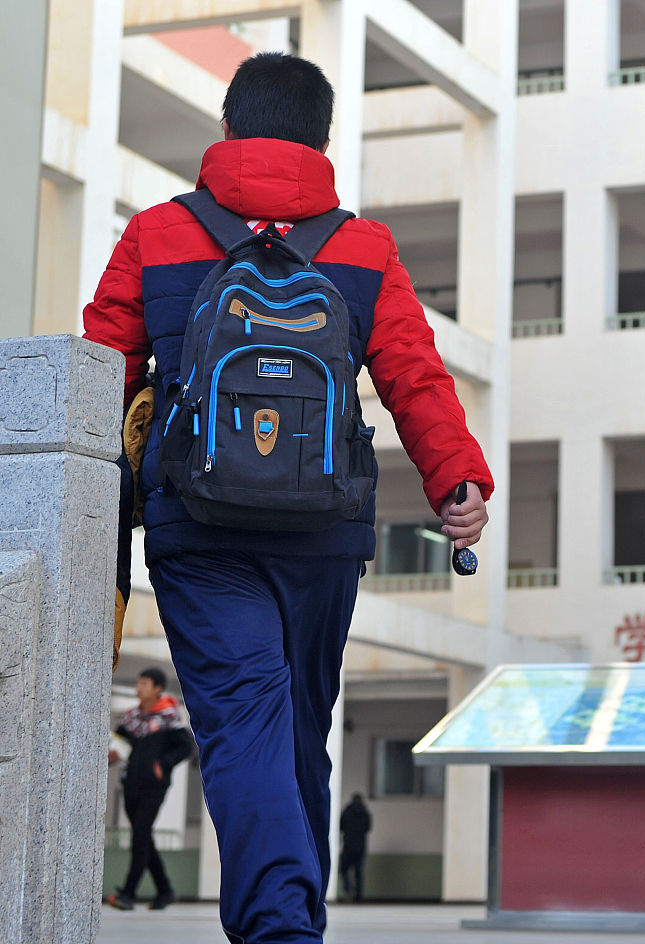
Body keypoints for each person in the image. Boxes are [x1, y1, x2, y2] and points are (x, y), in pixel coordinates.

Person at [84, 52, 493, 942]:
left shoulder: (157, 232)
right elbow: (413, 376)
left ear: (227, 131)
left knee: (249, 725)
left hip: (197, 528)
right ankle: (286, 925)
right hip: (324, 532)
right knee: (297, 732)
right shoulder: (363, 245)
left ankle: (280, 928)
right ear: (323, 139)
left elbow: (98, 374)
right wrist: (455, 477)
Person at [106, 667, 194, 911]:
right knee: (143, 837)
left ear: (157, 689)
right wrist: (114, 756)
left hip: (154, 787)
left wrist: (162, 764)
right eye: (139, 682)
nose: (139, 687)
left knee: (140, 836)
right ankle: (165, 890)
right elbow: (119, 744)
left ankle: (128, 893)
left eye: (145, 683)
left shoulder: (169, 718)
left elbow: (186, 747)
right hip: (131, 785)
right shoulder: (130, 719)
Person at [338, 793, 372, 902]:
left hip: (348, 845)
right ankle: (358, 895)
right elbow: (368, 828)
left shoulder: (347, 812)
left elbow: (341, 826)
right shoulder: (365, 813)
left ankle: (349, 888)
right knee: (359, 872)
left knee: (343, 870)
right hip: (360, 846)